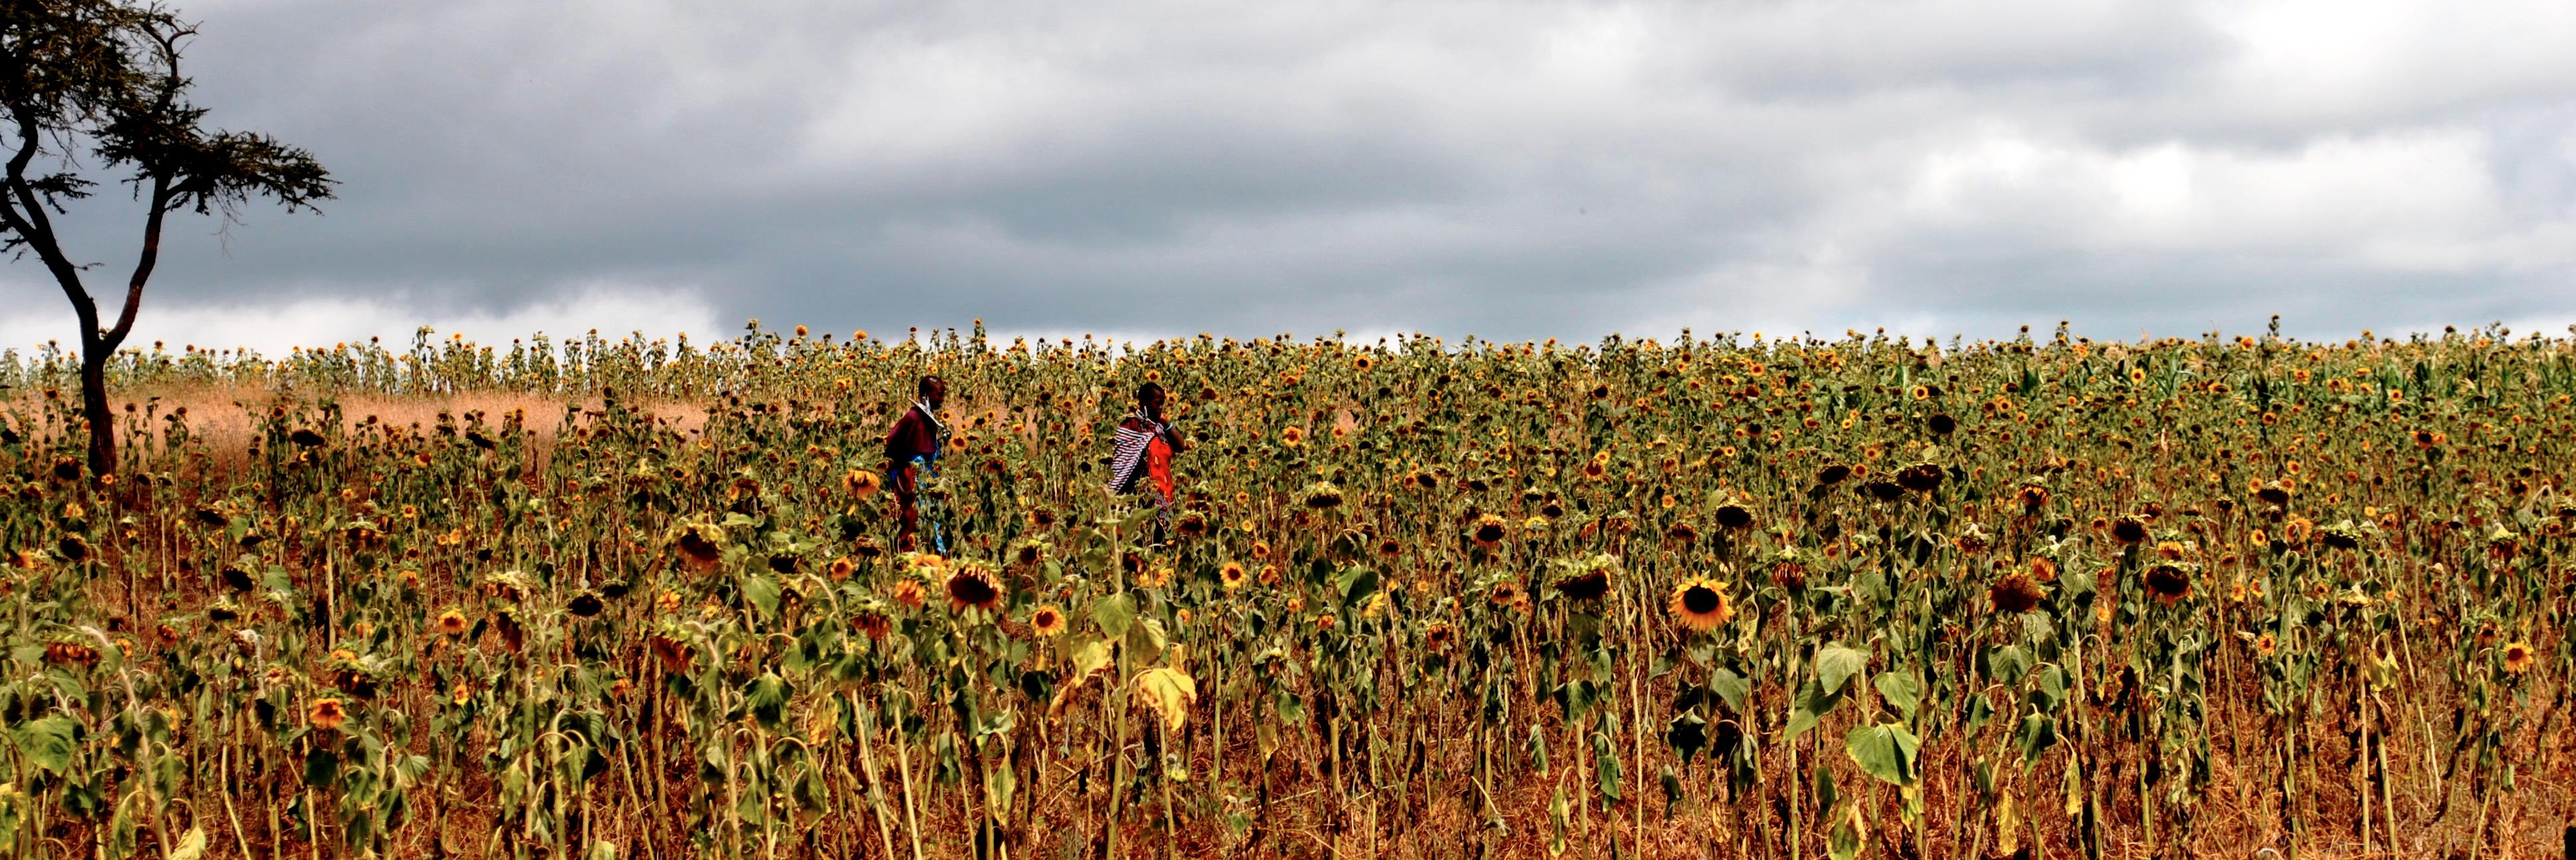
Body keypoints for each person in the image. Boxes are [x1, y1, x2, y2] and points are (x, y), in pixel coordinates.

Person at [1106, 381, 1186, 542]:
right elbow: (1124, 463)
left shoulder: (1159, 428)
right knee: (1138, 541)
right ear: (1143, 403)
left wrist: (1165, 422)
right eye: (1157, 403)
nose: (1160, 408)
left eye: (1163, 404)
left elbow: (1180, 446)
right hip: (1139, 495)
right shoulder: (1131, 426)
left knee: (1160, 543)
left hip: (1162, 493)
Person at [883, 374, 947, 552]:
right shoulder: (912, 417)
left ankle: (935, 551)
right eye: (939, 394)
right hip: (914, 477)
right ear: (926, 394)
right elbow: (892, 443)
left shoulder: (928, 418)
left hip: (929, 475)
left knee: (934, 513)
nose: (942, 399)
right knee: (914, 516)